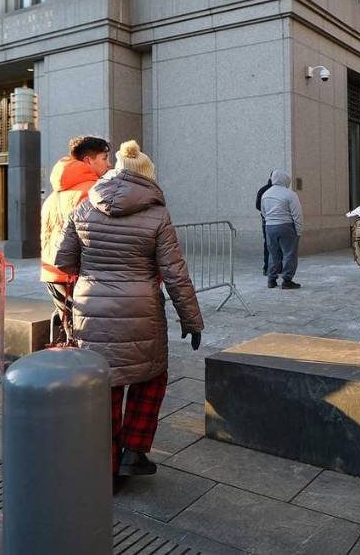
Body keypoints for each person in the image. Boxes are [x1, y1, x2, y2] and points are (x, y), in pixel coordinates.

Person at [54, 140, 203, 486]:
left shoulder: (86, 205)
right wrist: (191, 320)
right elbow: (176, 274)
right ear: (148, 177)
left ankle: (104, 467)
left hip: (91, 308)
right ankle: (134, 452)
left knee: (104, 385)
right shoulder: (158, 214)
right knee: (150, 376)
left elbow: (64, 260)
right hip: (142, 310)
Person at [40, 135, 111, 344]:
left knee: (71, 330)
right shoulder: (93, 192)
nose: (109, 164)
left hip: (52, 273)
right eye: (104, 158)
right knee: (88, 337)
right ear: (88, 161)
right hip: (78, 276)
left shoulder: (54, 195)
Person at [260, 170, 303, 289]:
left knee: (273, 253)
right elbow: (297, 214)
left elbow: (263, 212)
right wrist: (298, 230)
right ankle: (287, 280)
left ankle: (271, 279)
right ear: (285, 180)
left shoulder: (266, 194)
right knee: (289, 253)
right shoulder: (290, 194)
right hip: (286, 226)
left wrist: (270, 220)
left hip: (270, 227)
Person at [254, 176, 273, 275]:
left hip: (265, 220)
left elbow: (258, 206)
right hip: (276, 221)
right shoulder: (278, 191)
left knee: (267, 244)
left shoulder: (262, 190)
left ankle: (267, 268)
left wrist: (265, 213)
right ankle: (277, 267)